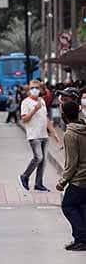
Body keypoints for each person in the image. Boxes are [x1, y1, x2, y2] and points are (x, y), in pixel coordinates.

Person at [20, 80, 61, 192]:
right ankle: (24, 176)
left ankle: (39, 184)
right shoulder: (26, 102)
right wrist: (34, 109)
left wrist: (54, 133)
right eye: (33, 88)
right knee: (38, 157)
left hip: (44, 134)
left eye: (37, 88)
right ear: (29, 90)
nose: (35, 90)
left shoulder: (41, 101)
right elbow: (24, 119)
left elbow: (46, 118)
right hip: (34, 135)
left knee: (43, 162)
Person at [56, 101, 86, 251]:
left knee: (68, 205)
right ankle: (81, 238)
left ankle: (81, 238)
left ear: (64, 116)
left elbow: (72, 163)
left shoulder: (70, 133)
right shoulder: (84, 127)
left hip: (79, 179)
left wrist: (62, 181)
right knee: (81, 206)